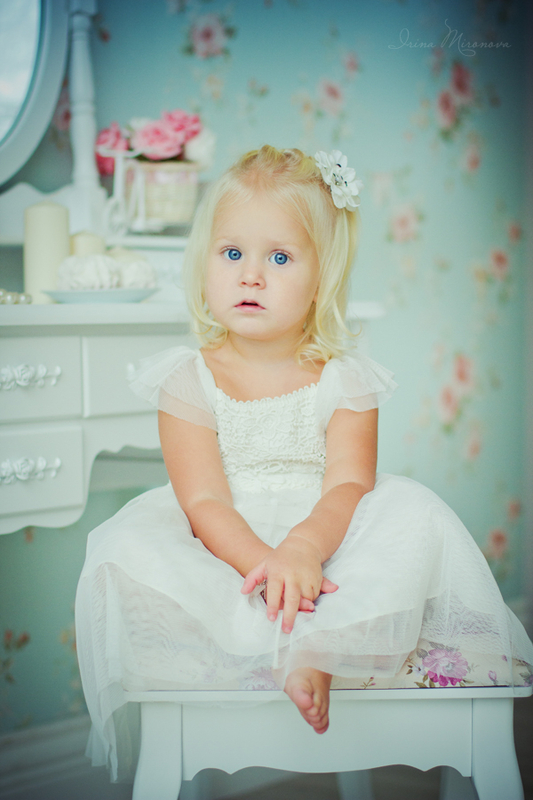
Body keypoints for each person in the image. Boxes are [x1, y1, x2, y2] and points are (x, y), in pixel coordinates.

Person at [75, 145, 533, 781]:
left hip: (328, 536)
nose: (250, 276)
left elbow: (349, 483)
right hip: (228, 547)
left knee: (413, 517)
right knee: (132, 543)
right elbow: (202, 501)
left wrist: (304, 549)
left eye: (279, 258)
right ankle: (274, 635)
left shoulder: (345, 378)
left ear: (322, 278)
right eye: (231, 253)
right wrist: (267, 566)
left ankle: (317, 653)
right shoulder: (187, 379)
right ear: (204, 261)